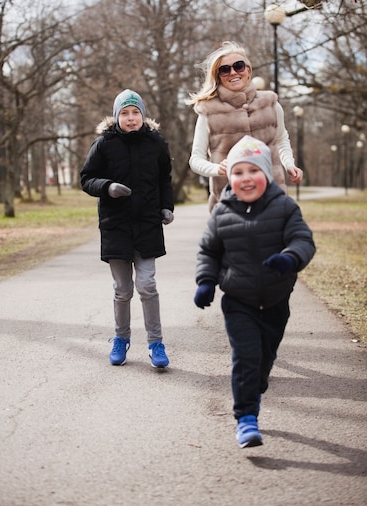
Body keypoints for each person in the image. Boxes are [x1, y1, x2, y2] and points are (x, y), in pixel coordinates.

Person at [193, 135, 315, 448]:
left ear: (266, 174)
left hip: (275, 302)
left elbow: (303, 241)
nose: (246, 178)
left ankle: (257, 385)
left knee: (263, 361)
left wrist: (289, 258)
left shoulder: (284, 207)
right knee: (246, 357)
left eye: (253, 171)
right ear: (229, 177)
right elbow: (208, 251)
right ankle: (246, 418)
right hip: (238, 300)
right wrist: (206, 282)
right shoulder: (222, 212)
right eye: (238, 172)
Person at [80, 89, 174, 369]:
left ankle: (156, 342)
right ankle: (121, 338)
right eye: (125, 113)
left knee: (147, 285)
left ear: (143, 115)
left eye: (135, 112)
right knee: (122, 289)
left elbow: (164, 180)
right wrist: (107, 187)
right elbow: (86, 179)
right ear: (116, 116)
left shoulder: (156, 143)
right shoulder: (104, 144)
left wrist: (167, 207)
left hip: (147, 225)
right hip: (116, 227)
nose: (131, 118)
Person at [188, 41, 303, 210]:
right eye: (225, 69)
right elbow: (195, 159)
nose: (233, 72)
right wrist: (217, 169)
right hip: (229, 203)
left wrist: (289, 164)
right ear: (218, 76)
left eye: (238, 66)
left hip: (272, 196)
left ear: (248, 70)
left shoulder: (271, 104)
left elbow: (281, 140)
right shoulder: (208, 112)